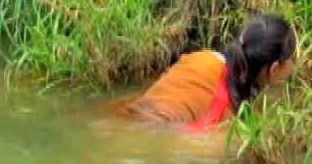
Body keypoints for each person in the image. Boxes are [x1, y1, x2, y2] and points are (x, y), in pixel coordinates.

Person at [106, 13, 297, 131]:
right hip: (148, 133)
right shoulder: (225, 110)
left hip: (119, 118)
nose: (293, 66)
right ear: (273, 69)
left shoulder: (201, 58)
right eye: (291, 59)